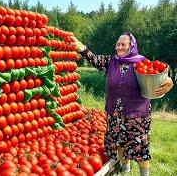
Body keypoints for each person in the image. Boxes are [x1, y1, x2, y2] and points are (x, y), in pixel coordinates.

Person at [71, 32, 174, 176]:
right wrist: (80, 47)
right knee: (118, 142)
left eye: (123, 44)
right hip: (114, 112)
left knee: (139, 147)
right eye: (118, 44)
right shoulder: (111, 61)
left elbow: (158, 73)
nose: (119, 47)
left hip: (136, 114)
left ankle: (145, 174)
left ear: (132, 46)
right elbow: (94, 59)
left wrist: (169, 81)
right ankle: (125, 170)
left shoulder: (141, 62)